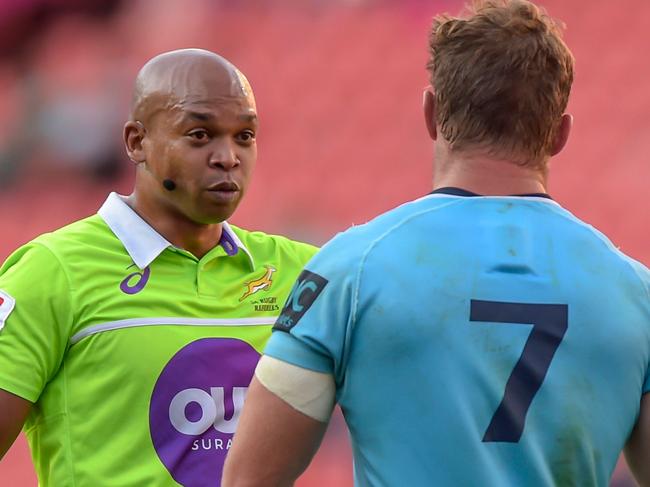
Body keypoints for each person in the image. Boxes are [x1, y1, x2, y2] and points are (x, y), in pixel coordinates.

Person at [222, 1, 650, 486]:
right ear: (560, 134)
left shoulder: (348, 272)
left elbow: (248, 479)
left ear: (430, 113)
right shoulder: (637, 294)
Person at [0, 49, 317, 486]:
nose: (228, 157)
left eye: (244, 135)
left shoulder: (302, 274)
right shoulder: (54, 271)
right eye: (200, 134)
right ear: (136, 141)